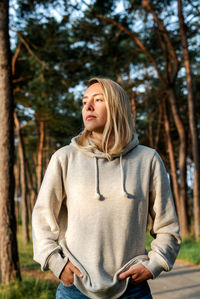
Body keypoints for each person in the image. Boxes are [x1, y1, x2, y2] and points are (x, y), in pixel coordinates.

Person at [32, 77, 181, 299]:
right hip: (76, 288)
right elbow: (42, 219)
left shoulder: (147, 159)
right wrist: (56, 263)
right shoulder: (64, 158)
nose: (88, 107)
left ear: (116, 106)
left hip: (132, 289)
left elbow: (167, 225)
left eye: (98, 99)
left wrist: (156, 263)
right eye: (84, 102)